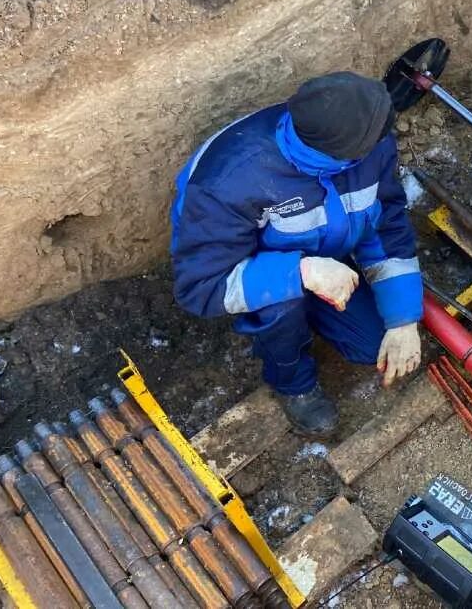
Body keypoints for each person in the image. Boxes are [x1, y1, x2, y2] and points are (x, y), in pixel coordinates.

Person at [170, 72, 423, 435]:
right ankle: (292, 382)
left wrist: (402, 318)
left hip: (329, 253)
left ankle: (328, 299)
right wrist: (301, 273)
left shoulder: (369, 146)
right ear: (340, 152)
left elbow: (386, 223)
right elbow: (200, 287)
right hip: (262, 274)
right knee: (281, 308)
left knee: (371, 345)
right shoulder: (228, 183)